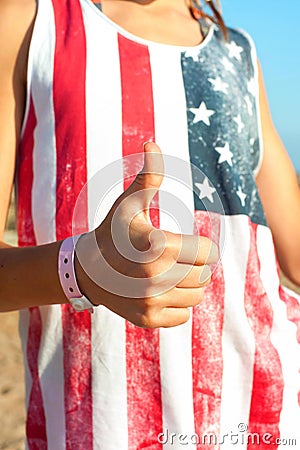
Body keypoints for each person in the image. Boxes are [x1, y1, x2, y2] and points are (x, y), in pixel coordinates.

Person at [0, 0, 299, 448]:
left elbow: (292, 261)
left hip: (268, 420)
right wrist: (82, 268)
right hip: (100, 428)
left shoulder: (238, 51)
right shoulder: (30, 22)